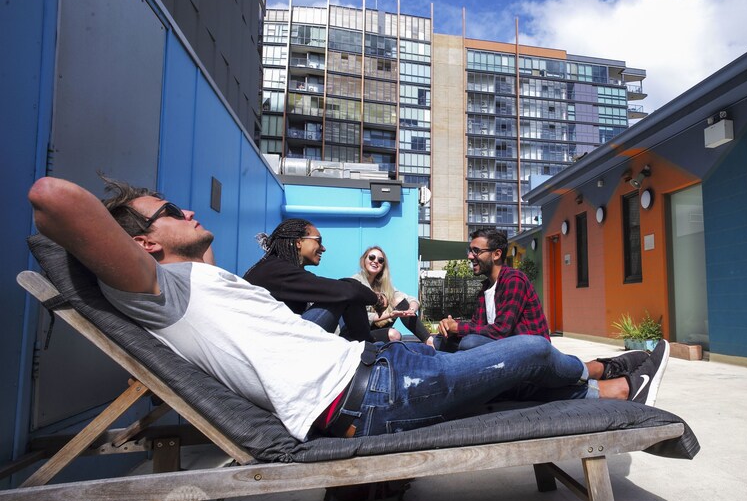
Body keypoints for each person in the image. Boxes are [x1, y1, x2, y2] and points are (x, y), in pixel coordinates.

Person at [28, 176, 668, 443]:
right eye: (169, 212)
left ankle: (614, 391)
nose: (188, 211)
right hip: (362, 395)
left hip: (374, 368)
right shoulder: (155, 290)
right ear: (140, 243)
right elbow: (51, 196)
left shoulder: (200, 284)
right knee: (529, 353)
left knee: (499, 374)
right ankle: (604, 375)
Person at [242, 219, 378, 342]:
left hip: (275, 340)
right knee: (348, 291)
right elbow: (349, 292)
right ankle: (367, 351)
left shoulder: (274, 268)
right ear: (298, 242)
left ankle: (361, 347)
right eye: (318, 240)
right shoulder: (276, 271)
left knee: (347, 288)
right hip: (278, 345)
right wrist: (376, 298)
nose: (323, 248)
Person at [432, 228, 549, 352]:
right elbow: (477, 327)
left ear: (496, 254)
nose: (470, 256)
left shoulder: (514, 280)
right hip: (505, 347)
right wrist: (450, 326)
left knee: (469, 343)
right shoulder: (486, 288)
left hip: (532, 351)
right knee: (442, 339)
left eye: (476, 251)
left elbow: (501, 330)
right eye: (470, 251)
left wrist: (458, 327)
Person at [349, 246, 431, 343]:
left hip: (374, 330)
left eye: (380, 260)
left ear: (383, 265)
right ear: (364, 260)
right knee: (394, 335)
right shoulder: (355, 282)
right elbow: (358, 317)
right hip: (356, 334)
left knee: (397, 300)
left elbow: (409, 299)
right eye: (371, 257)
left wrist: (411, 310)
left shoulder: (383, 285)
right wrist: (389, 315)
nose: (375, 261)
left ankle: (429, 340)